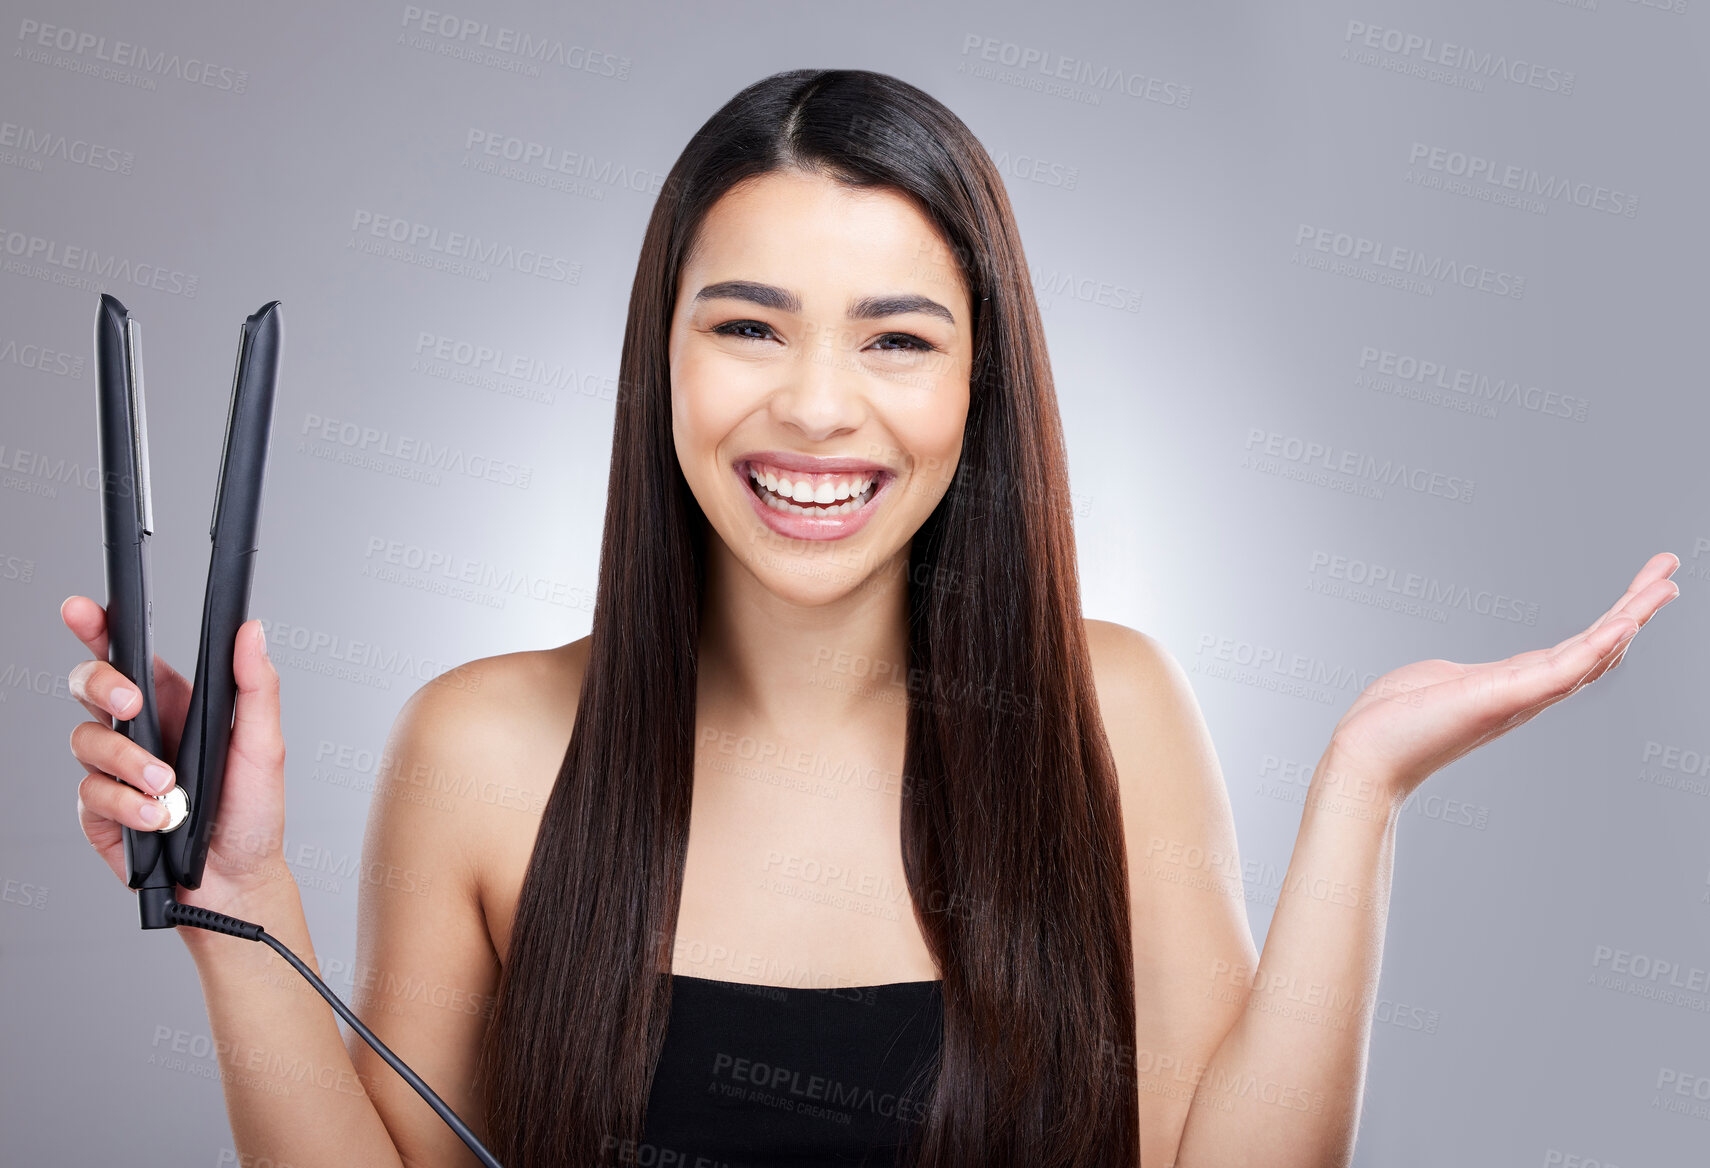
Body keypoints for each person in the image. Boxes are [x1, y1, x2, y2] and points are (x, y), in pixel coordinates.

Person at [61, 68, 1679, 1168]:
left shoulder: (1105, 710)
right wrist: (240, 894)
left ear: (982, 384)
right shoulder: (483, 744)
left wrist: (1363, 791)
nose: (817, 409)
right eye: (749, 325)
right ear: (661, 362)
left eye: (895, 340)